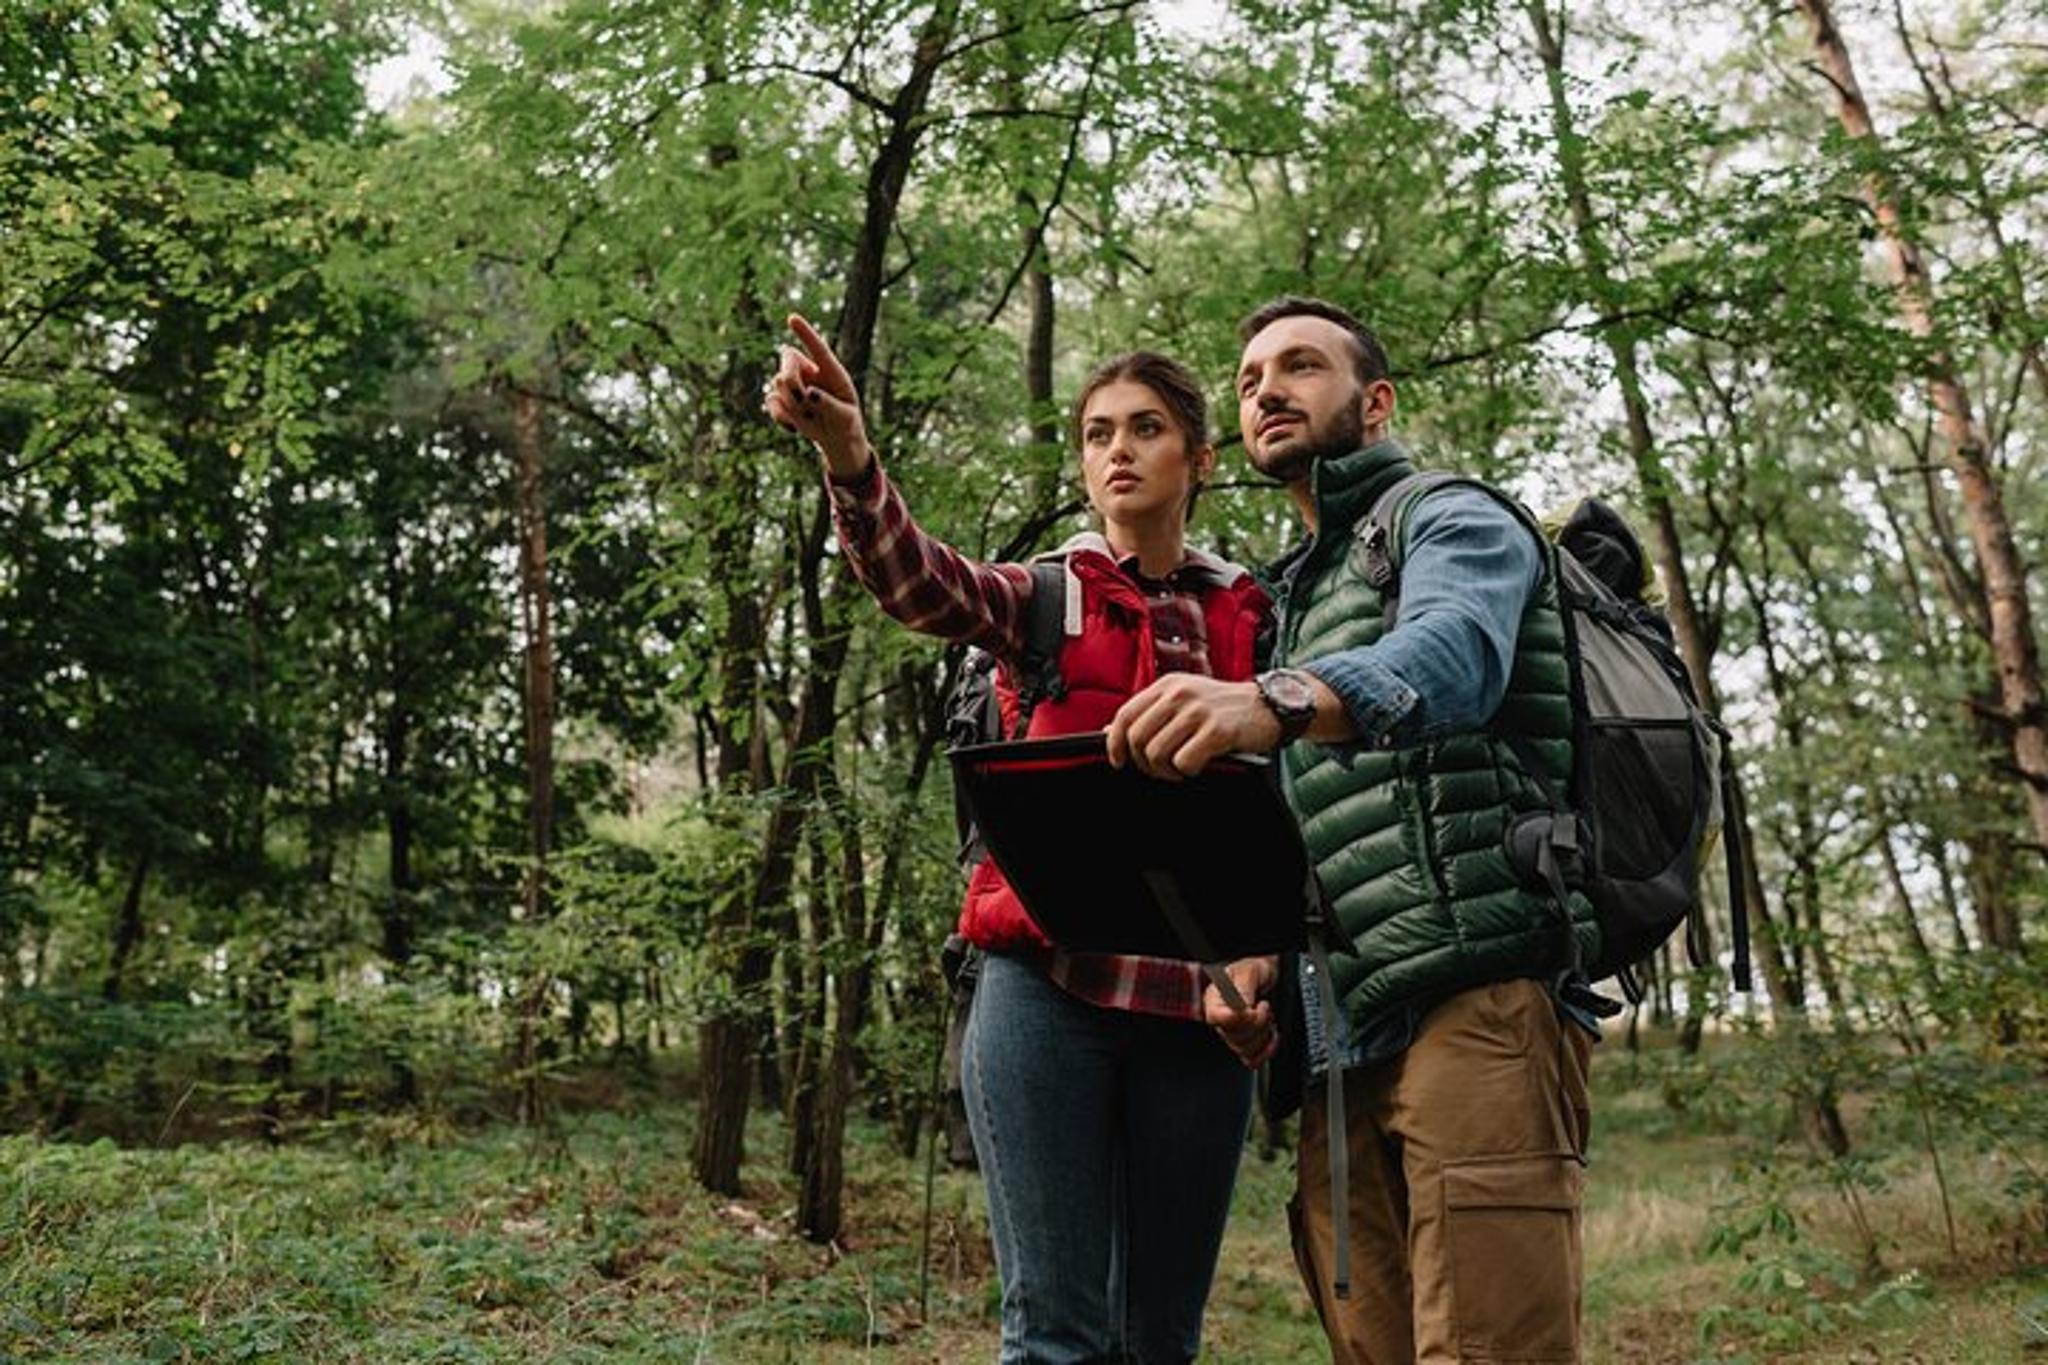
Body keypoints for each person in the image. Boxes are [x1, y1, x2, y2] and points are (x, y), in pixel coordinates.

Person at [764, 313, 1271, 1365]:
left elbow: (1294, 805)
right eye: (1096, 434)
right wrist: (848, 452)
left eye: (1145, 428)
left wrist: (1266, 966)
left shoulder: (1254, 617)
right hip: (1046, 989)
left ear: (1200, 459)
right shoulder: (1047, 595)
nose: (1117, 450)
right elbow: (919, 581)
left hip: (1197, 1010)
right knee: (1052, 1337)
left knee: (1160, 1341)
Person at [1105, 296, 1595, 1365]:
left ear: (1374, 403)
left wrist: (1272, 698)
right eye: (1248, 380)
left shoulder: (1449, 516)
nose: (1266, 391)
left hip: (1474, 1001)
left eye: (1300, 367)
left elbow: (1455, 654)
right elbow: (1321, 830)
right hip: (1339, 1039)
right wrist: (1261, 960)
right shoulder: (1295, 597)